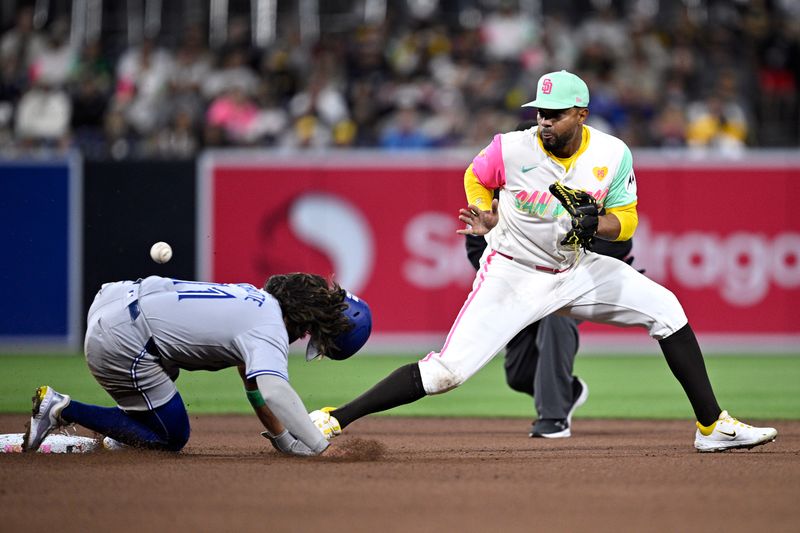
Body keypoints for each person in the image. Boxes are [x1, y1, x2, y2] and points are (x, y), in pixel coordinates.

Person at [310, 70, 777, 452]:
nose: (544, 122)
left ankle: (713, 427)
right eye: (539, 113)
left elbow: (627, 220)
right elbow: (477, 173)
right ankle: (332, 419)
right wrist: (486, 211)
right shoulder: (512, 147)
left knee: (668, 310)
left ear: (581, 113)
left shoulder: (612, 154)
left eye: (555, 114)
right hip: (513, 273)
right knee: (444, 373)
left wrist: (599, 226)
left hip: (576, 270)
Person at [23, 273, 372, 456]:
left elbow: (251, 382)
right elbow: (275, 390)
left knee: (155, 411)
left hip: (114, 304)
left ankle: (127, 431)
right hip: (123, 341)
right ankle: (61, 408)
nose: (303, 340)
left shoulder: (255, 300)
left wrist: (282, 439)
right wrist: (320, 447)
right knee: (172, 437)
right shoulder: (269, 328)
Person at [466, 212, 634, 438]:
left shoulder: (577, 182)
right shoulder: (500, 194)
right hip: (521, 285)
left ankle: (553, 418)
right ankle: (569, 391)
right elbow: (477, 246)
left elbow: (618, 242)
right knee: (520, 374)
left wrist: (569, 269)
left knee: (557, 313)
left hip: (578, 277)